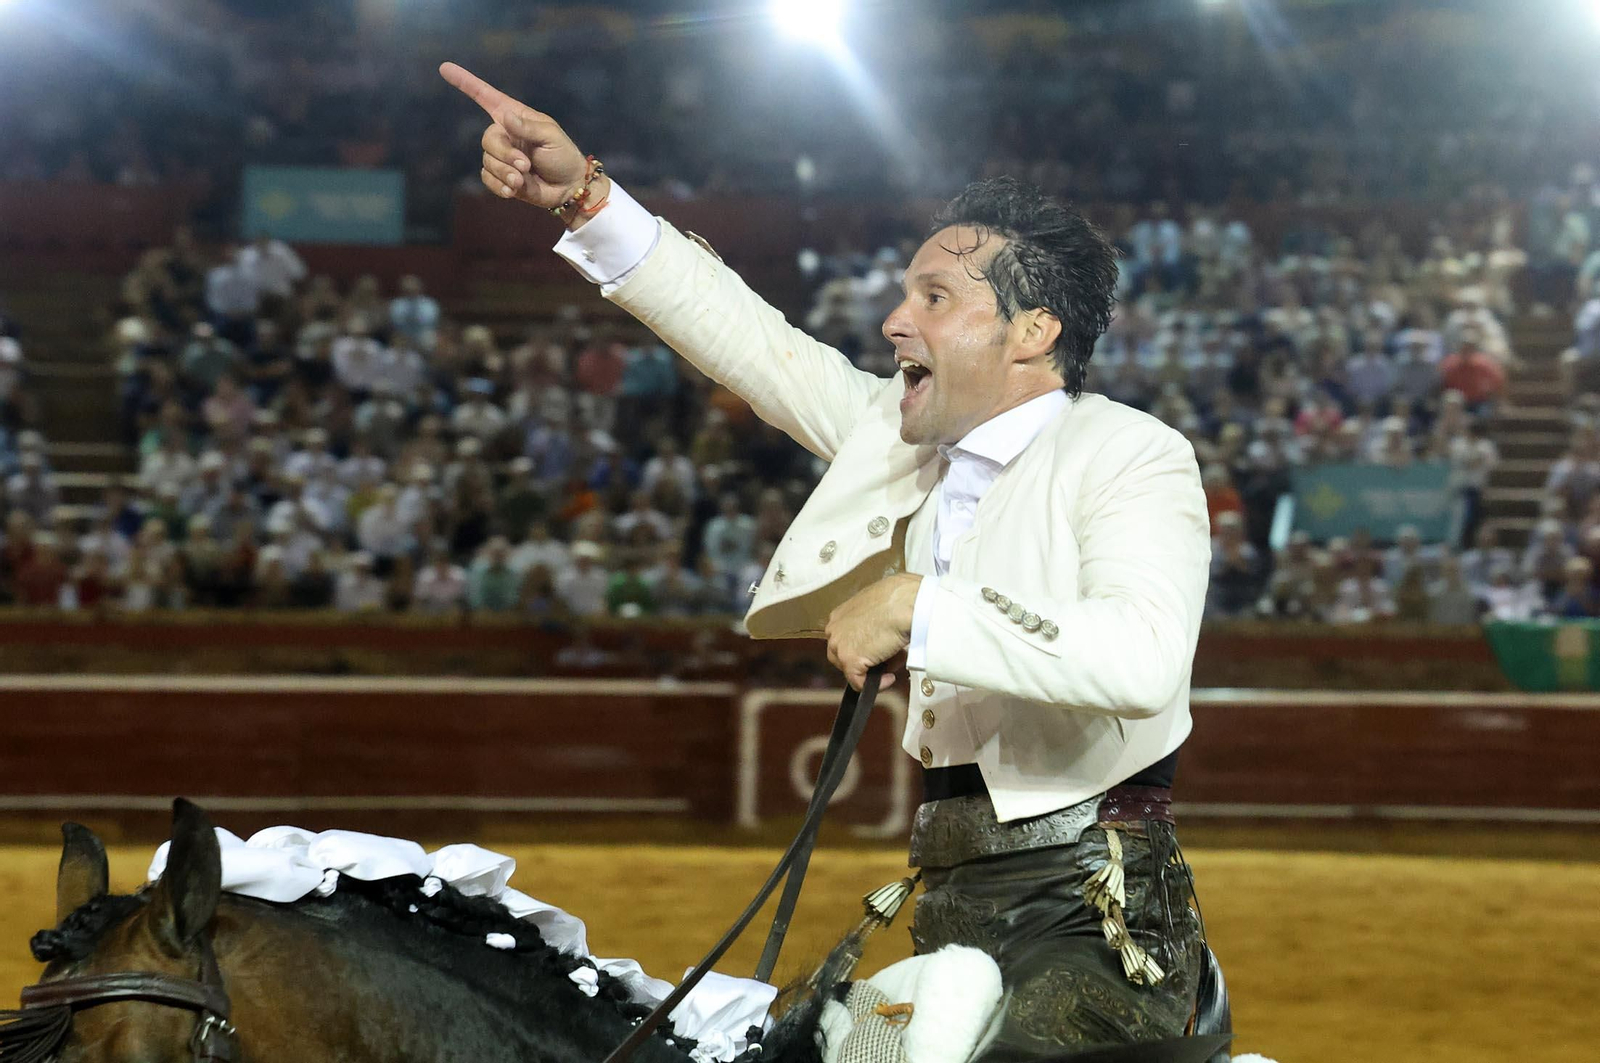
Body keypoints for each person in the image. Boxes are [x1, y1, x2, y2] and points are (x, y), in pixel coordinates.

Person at [444, 63, 1226, 1058]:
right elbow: (752, 344)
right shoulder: (898, 439)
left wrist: (916, 605)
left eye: (934, 296)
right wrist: (584, 198)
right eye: (904, 292)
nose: (896, 319)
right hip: (951, 893)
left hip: (1098, 915)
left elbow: (1141, 659)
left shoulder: (1129, 453)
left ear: (1033, 332)